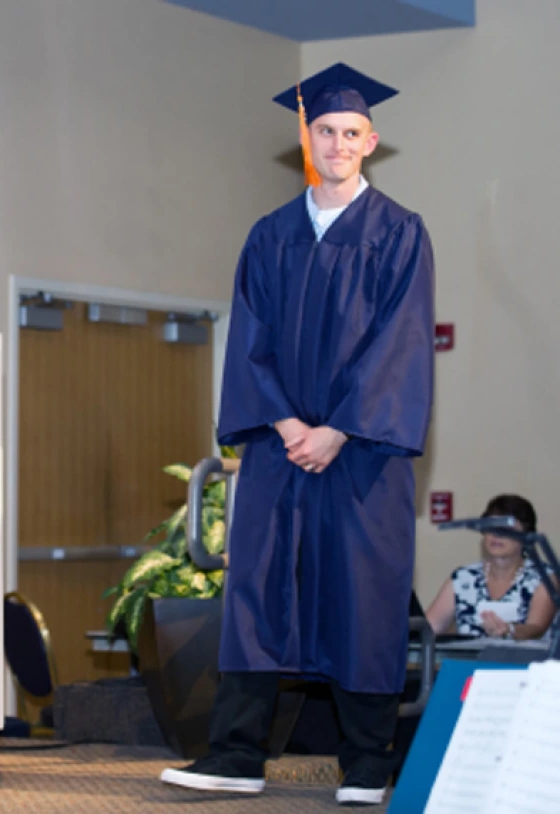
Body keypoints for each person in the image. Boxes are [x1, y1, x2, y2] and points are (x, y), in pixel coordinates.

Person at [160, 63, 434, 807]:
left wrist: (339, 428)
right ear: (306, 139)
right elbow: (248, 339)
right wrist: (286, 425)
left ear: (370, 142)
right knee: (258, 592)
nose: (338, 143)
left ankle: (369, 764)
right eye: (325, 132)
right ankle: (236, 755)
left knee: (362, 596)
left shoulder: (400, 234)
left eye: (351, 133)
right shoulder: (270, 235)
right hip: (281, 450)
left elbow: (400, 344)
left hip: (363, 454)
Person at [426, 494, 556, 640]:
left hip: (525, 662)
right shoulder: (463, 577)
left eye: (506, 528)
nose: (496, 535)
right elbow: (429, 628)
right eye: (491, 527)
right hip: (466, 662)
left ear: (526, 535)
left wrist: (510, 630)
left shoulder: (544, 577)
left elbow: (537, 628)